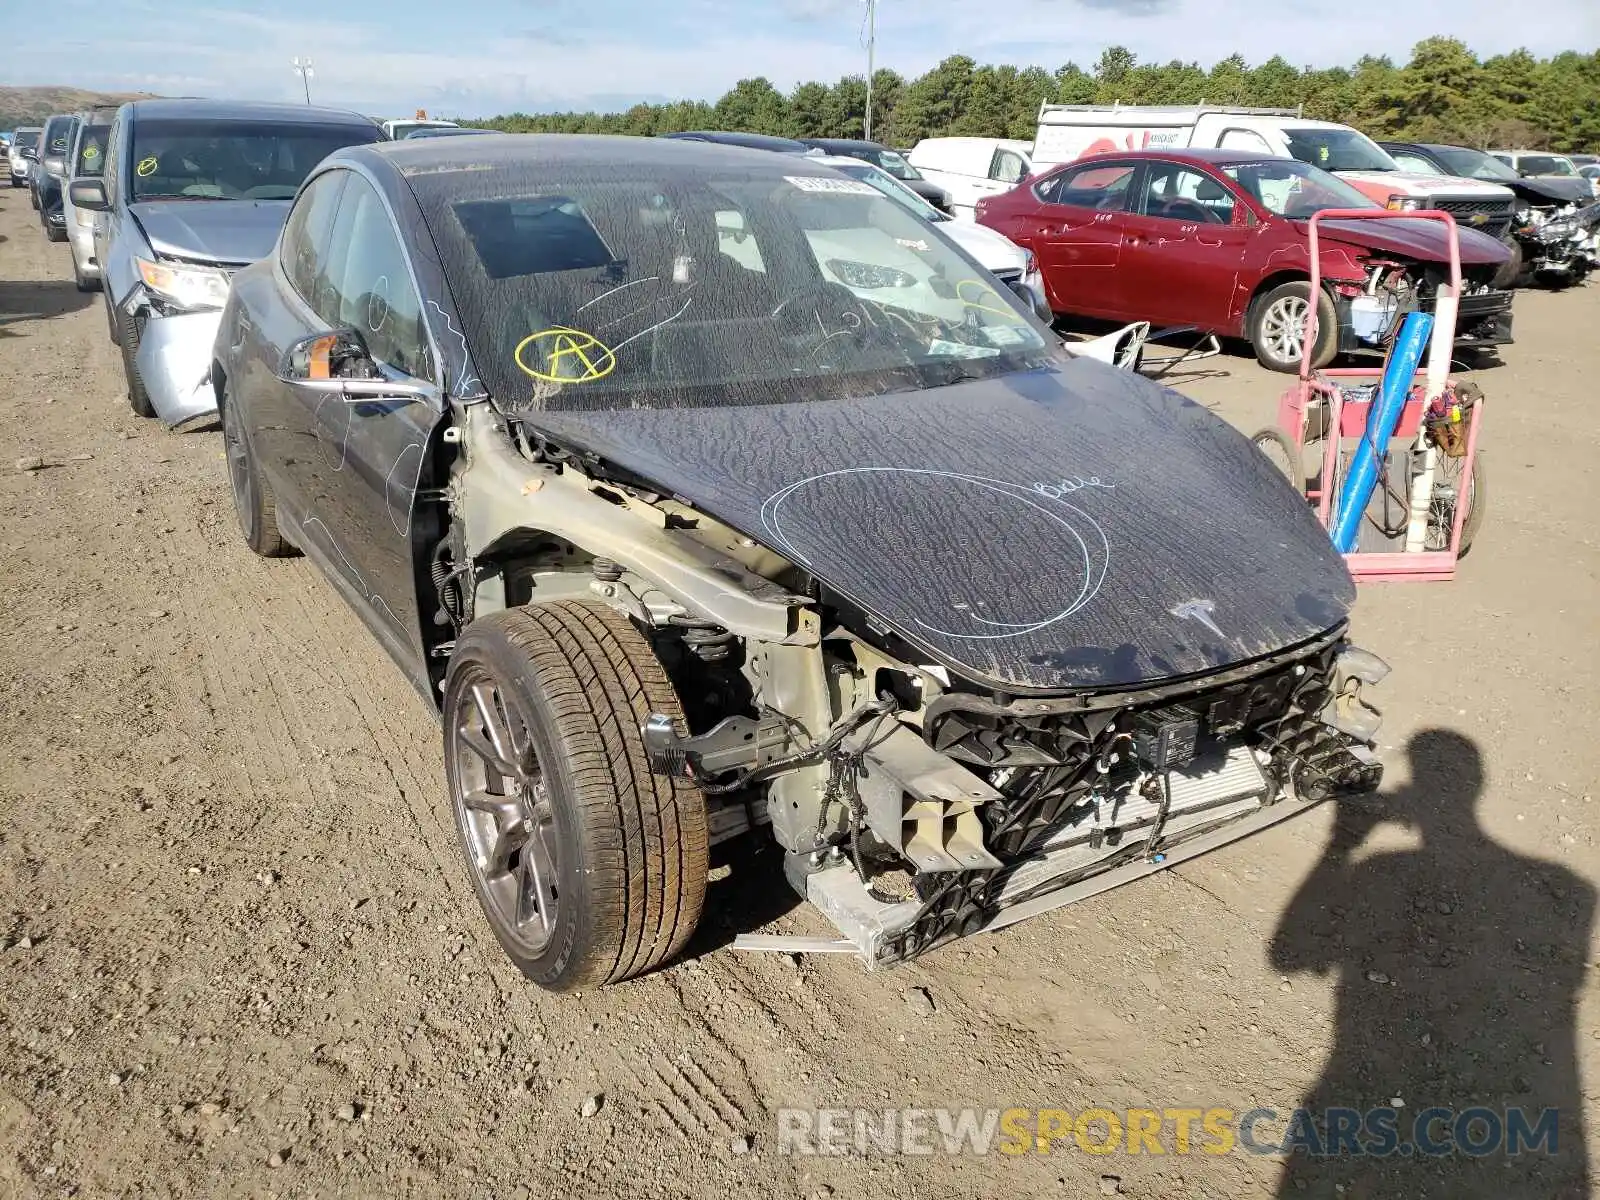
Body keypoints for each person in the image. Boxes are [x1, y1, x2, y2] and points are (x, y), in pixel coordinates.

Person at [1271, 729, 1593, 1197]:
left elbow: (1287, 955)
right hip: (1508, 1122)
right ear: (1479, 785)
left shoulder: (1378, 869)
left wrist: (1341, 845)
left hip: (1355, 1099)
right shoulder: (1569, 888)